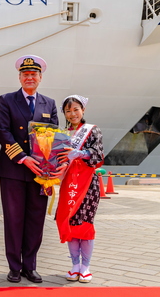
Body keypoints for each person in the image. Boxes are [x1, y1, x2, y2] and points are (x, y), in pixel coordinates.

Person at [0, 55, 63, 283]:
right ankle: (14, 267)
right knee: (14, 219)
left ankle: (30, 266)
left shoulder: (49, 104)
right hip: (14, 170)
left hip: (40, 173)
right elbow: (2, 131)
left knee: (35, 219)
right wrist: (23, 158)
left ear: (40, 78)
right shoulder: (6, 100)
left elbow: (54, 137)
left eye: (34, 74)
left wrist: (51, 165)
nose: (30, 77)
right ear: (20, 77)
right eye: (26, 74)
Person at [55, 95, 104, 283]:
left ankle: (86, 267)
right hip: (68, 183)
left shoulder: (92, 130)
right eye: (68, 111)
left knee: (85, 223)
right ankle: (75, 264)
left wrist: (82, 153)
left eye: (76, 109)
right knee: (70, 223)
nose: (72, 114)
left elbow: (98, 153)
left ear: (83, 110)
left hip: (87, 185)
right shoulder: (62, 132)